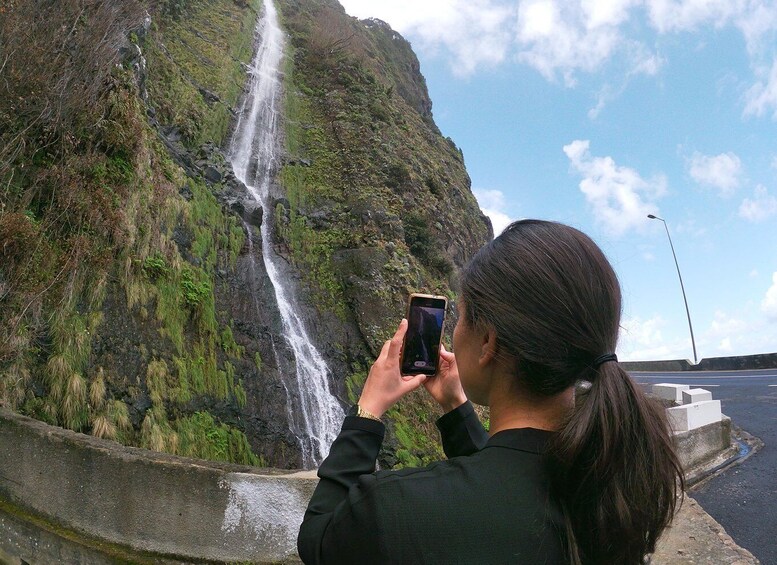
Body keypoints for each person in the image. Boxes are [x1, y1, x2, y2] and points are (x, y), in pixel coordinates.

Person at [297, 219, 684, 564]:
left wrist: (368, 410)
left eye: (461, 317)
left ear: (487, 342)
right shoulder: (618, 481)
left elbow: (317, 538)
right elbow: (508, 477)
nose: (455, 330)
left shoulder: (397, 508)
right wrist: (455, 405)